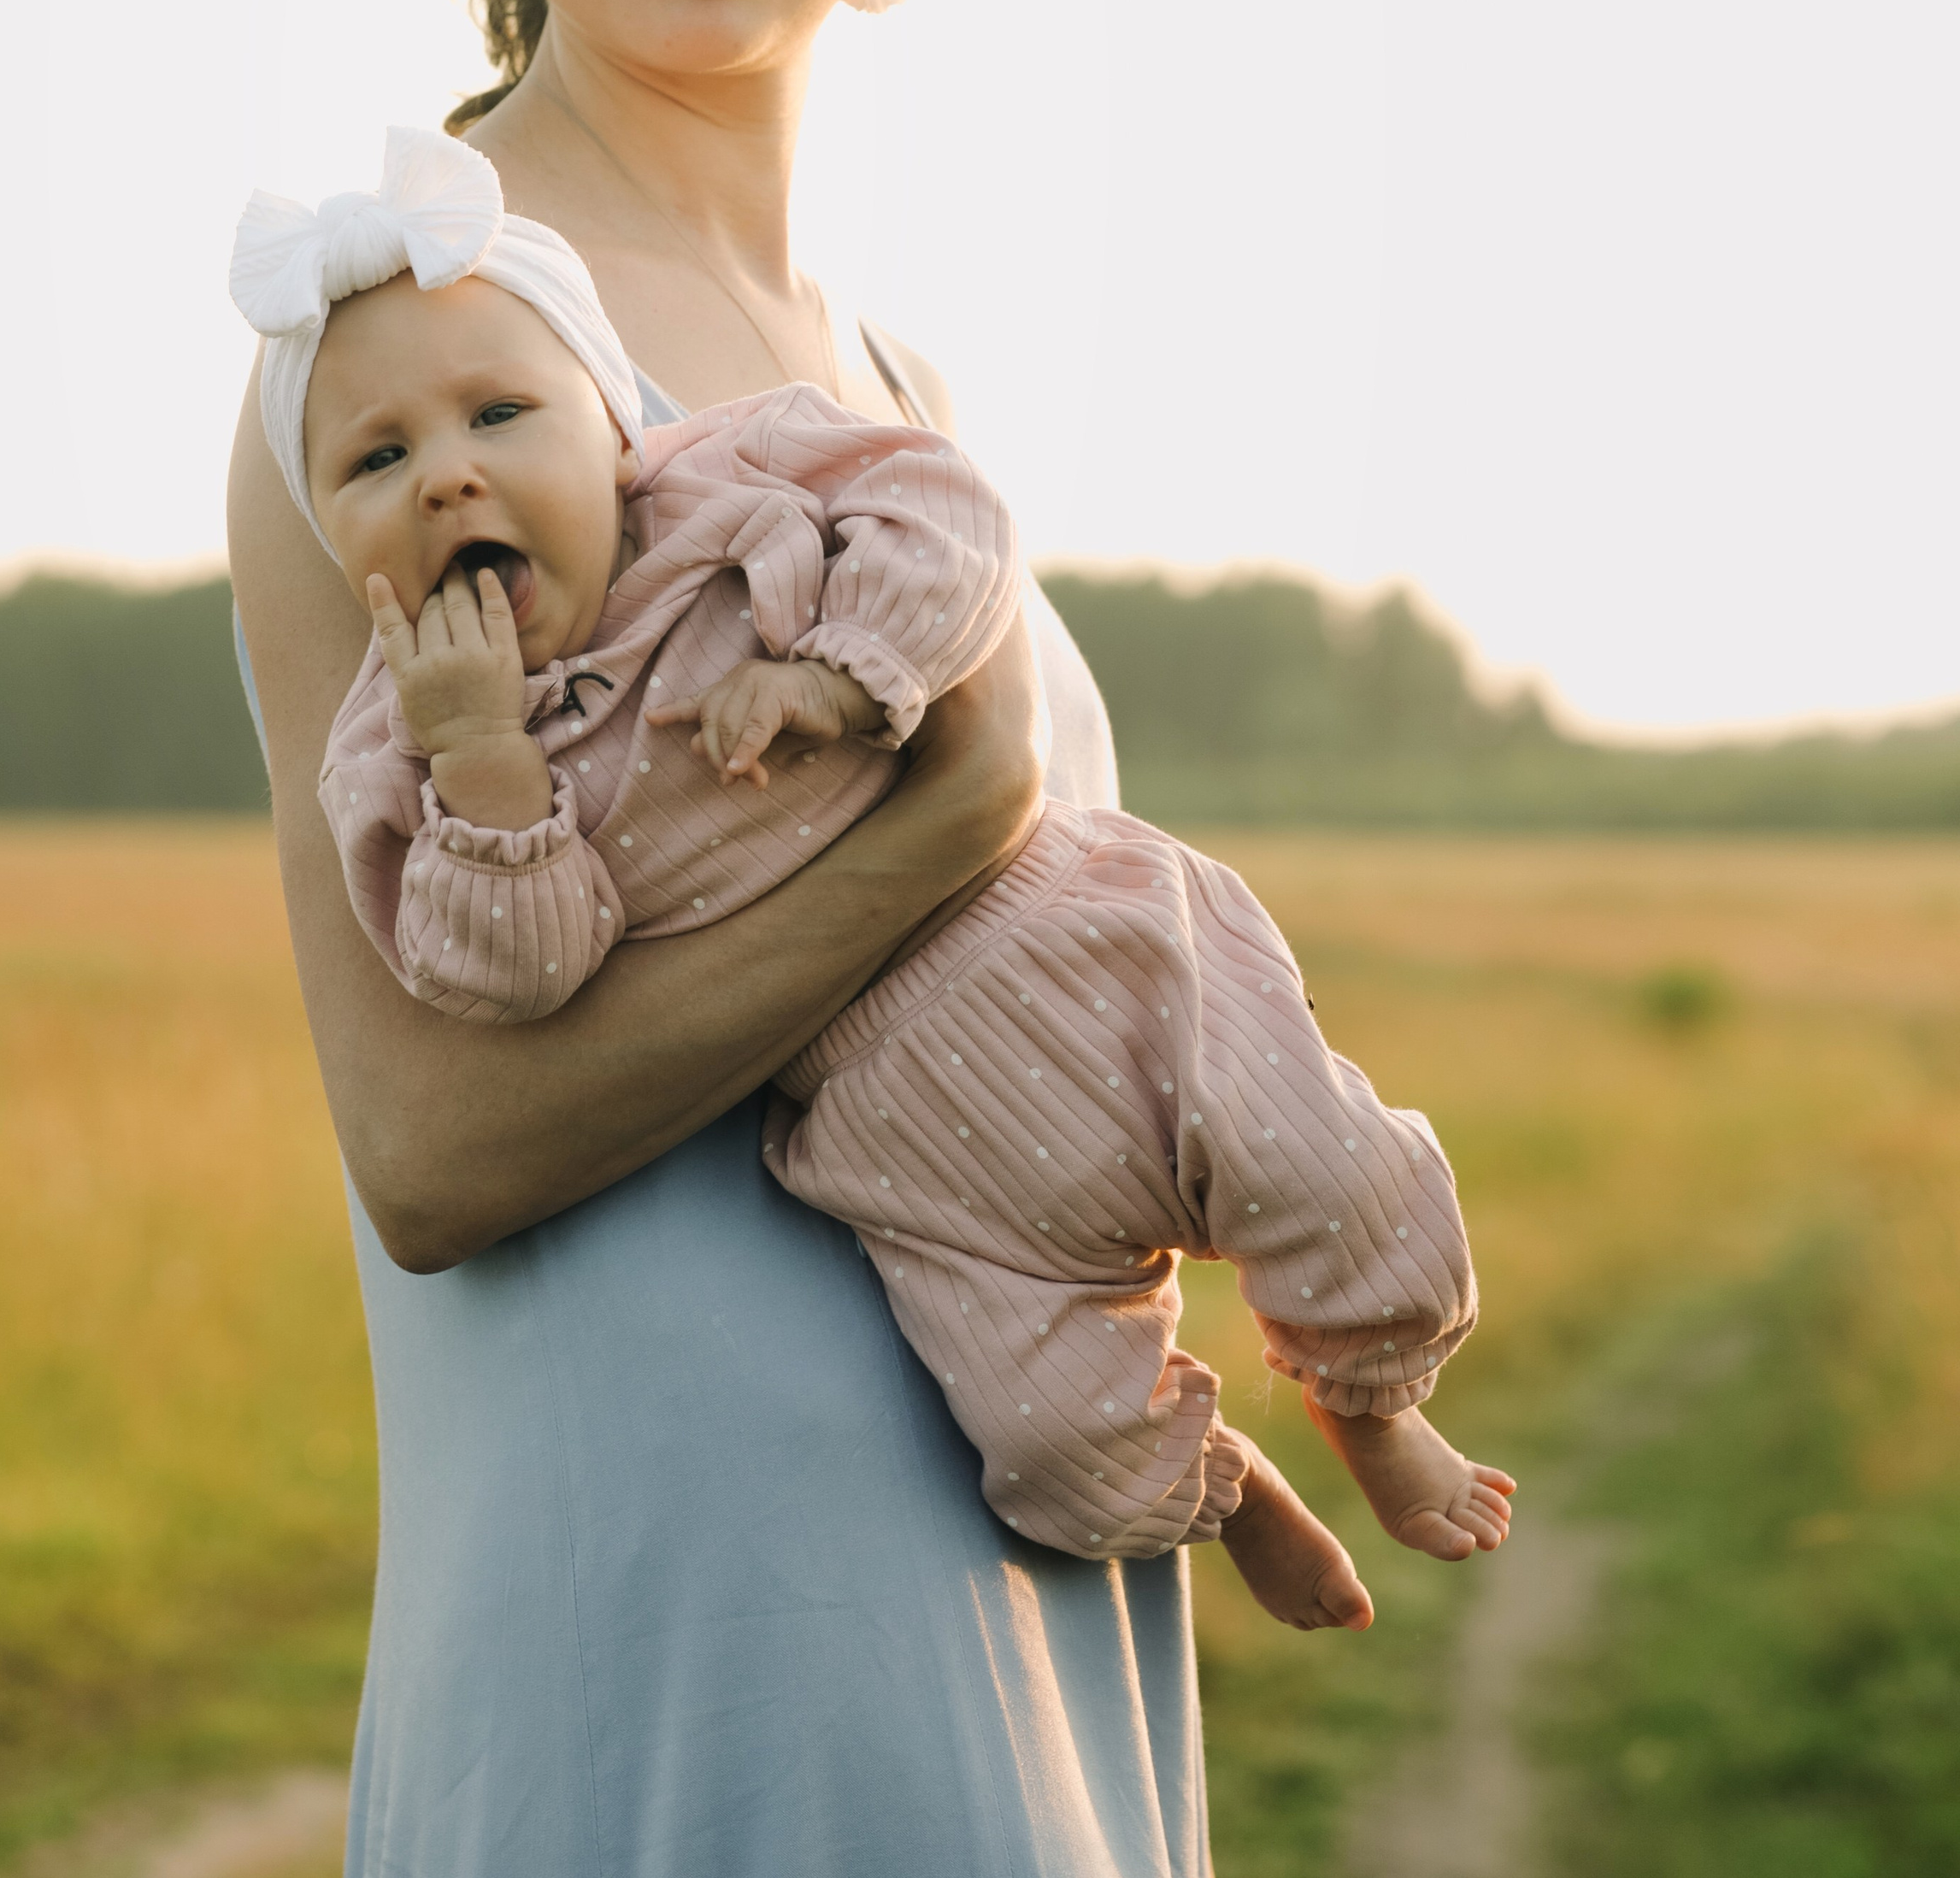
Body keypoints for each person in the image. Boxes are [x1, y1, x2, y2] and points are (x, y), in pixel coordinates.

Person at [225, 0, 1459, 1878]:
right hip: (689, 1668)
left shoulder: (898, 372)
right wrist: (924, 824)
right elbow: (432, 1136)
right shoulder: (409, 364)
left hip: (1025, 1653)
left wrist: (1161, 1825)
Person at [229, 133, 1515, 1589]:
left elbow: (954, 518)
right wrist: (486, 771)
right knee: (1049, 1443)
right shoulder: (398, 753)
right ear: (330, 532)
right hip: (893, 1130)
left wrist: (844, 672)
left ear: (610, 422)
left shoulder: (729, 481)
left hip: (1073, 946)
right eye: (375, 460)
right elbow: (519, 977)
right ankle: (1228, 1492)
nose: (448, 478)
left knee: (1320, 1170)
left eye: (500, 415)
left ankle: (1376, 1408)